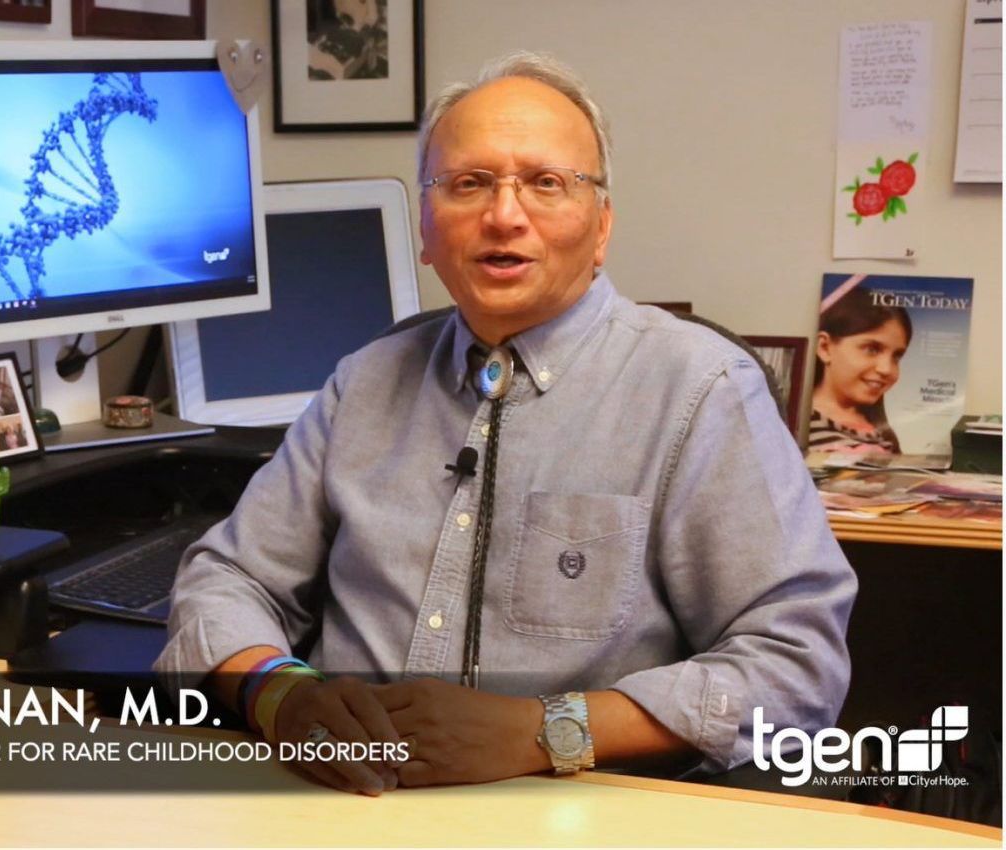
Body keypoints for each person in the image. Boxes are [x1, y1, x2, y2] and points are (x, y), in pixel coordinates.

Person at [155, 52, 856, 796]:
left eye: (547, 183)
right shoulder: (362, 382)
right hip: (338, 802)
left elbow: (795, 664)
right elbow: (226, 580)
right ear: (426, 229)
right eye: (468, 183)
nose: (504, 215)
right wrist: (283, 693)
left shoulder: (701, 390)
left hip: (579, 814)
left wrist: (543, 732)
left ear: (602, 226)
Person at [808, 285, 911, 455]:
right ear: (825, 347)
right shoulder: (798, 426)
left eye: (896, 356)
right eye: (871, 349)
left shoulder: (882, 434)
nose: (886, 369)